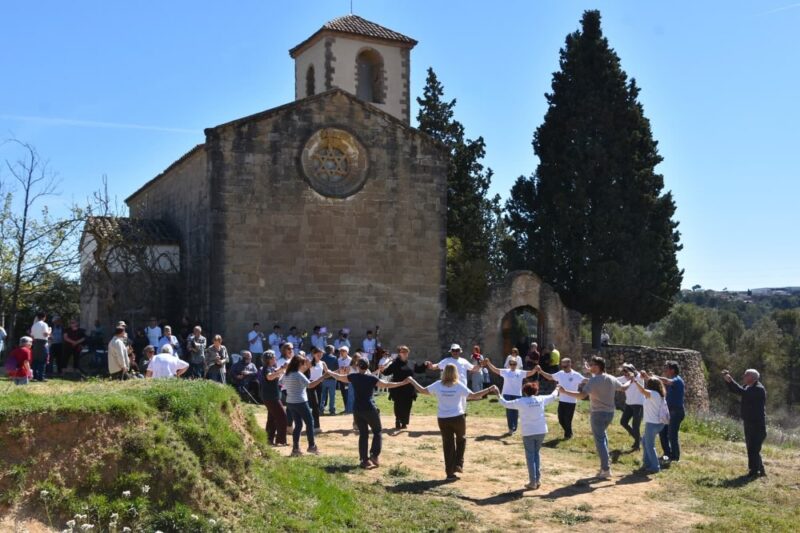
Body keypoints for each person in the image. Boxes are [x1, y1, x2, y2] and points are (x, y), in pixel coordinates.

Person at [408, 366, 497, 480]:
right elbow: (474, 396)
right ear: (455, 373)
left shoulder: (438, 385)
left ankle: (450, 473)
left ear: (444, 373)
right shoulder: (458, 385)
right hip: (458, 418)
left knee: (448, 445)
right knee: (461, 440)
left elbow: (422, 390)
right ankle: (458, 464)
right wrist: (489, 389)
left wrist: (412, 381)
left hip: (443, 419)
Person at [327, 359, 409, 468]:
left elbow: (339, 377)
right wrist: (402, 383)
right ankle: (374, 455)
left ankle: (364, 460)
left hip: (357, 410)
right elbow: (387, 384)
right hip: (370, 408)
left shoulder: (353, 377)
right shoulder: (371, 378)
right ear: (368, 366)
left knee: (363, 434)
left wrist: (328, 371)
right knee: (377, 431)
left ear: (357, 366)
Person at [558, 356, 622, 478]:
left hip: (598, 414)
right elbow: (623, 388)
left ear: (598, 367)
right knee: (603, 437)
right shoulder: (611, 378)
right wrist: (632, 380)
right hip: (610, 413)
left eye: (592, 365)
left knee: (600, 441)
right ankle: (605, 465)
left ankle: (606, 469)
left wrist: (565, 391)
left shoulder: (593, 381)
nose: (590, 367)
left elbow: (582, 396)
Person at [498, 381, 560, 489]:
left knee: (530, 457)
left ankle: (532, 482)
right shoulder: (541, 399)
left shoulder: (521, 401)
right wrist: (557, 388)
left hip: (528, 432)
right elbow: (553, 396)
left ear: (524, 391)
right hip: (541, 431)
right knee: (536, 454)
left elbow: (505, 403)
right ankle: (537, 480)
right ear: (536, 391)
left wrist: (497, 393)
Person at [723, 368, 767, 477]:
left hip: (757, 424)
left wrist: (731, 380)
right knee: (751, 447)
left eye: (745, 375)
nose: (743, 377)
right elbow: (736, 390)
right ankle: (760, 470)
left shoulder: (758, 389)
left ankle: (754, 471)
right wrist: (728, 382)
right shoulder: (748, 387)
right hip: (749, 422)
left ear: (752, 377)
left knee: (754, 448)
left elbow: (742, 392)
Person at [621, 372, 667, 473]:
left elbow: (642, 390)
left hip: (652, 424)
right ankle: (646, 463)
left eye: (648, 383)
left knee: (650, 446)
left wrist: (635, 381)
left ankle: (655, 467)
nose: (646, 384)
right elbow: (652, 382)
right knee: (645, 442)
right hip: (658, 424)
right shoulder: (659, 394)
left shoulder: (652, 394)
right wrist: (647, 377)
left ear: (651, 386)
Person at [282, 355, 327, 456]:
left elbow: (281, 382)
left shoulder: (287, 374)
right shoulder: (298, 374)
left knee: (298, 425)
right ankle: (311, 446)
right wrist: (322, 378)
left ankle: (295, 449)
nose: (305, 365)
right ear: (299, 364)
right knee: (310, 422)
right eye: (303, 363)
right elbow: (310, 385)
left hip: (290, 402)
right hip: (300, 402)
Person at [483, 355, 538, 434]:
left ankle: (514, 427)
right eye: (511, 364)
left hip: (517, 394)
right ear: (509, 364)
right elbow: (495, 370)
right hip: (507, 394)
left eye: (514, 364)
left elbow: (531, 373)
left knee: (515, 411)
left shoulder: (520, 372)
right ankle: (510, 428)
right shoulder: (505, 371)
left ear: (517, 364)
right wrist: (488, 363)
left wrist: (536, 368)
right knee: (509, 411)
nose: (512, 365)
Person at [537, 358, 585, 439]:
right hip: (562, 400)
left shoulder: (576, 375)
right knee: (560, 419)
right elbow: (550, 377)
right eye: (562, 366)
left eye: (565, 366)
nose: (564, 368)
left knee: (567, 420)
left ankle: (568, 435)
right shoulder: (560, 373)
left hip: (571, 402)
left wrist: (596, 376)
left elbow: (586, 380)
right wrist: (541, 371)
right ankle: (568, 432)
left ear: (570, 365)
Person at [425, 344, 480, 412]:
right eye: (453, 350)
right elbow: (436, 366)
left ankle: (461, 417)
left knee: (462, 408)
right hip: (450, 388)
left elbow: (474, 368)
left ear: (460, 351)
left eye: (457, 350)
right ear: (451, 351)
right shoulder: (446, 361)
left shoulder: (464, 361)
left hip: (462, 388)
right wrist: (430, 365)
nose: (455, 352)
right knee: (450, 407)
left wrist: (480, 364)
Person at [380, 345, 417, 429]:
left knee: (407, 405)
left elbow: (419, 369)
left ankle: (404, 422)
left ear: (408, 353)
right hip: (397, 388)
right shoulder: (395, 364)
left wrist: (425, 365)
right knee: (398, 405)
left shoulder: (411, 363)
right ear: (399, 353)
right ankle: (398, 420)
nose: (404, 353)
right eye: (402, 352)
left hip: (409, 388)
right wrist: (382, 370)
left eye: (406, 351)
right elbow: (387, 372)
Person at [655, 360, 685, 463]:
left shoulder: (677, 380)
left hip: (676, 412)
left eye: (667, 368)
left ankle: (675, 457)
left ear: (672, 370)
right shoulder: (669, 381)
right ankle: (667, 454)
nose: (665, 370)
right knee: (662, 432)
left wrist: (654, 377)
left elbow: (667, 381)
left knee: (672, 434)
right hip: (669, 411)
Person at [259, 351, 288, 446]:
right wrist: (281, 369)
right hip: (271, 397)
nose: (275, 358)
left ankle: (268, 439)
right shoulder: (266, 368)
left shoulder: (270, 368)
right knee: (282, 417)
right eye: (274, 357)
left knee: (272, 418)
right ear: (269, 359)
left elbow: (275, 372)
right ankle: (280, 441)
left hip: (270, 396)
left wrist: (282, 368)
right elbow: (269, 377)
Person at [617, 363, 645, 450]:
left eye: (626, 372)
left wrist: (642, 373)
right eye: (624, 372)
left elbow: (643, 375)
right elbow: (613, 379)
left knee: (635, 426)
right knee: (623, 422)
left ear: (632, 371)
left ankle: (637, 444)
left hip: (639, 405)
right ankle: (638, 439)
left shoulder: (639, 377)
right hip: (629, 404)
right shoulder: (625, 378)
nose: (625, 374)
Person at [307, 347, 326, 430]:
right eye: (318, 353)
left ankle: (314, 424)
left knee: (317, 405)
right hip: (311, 384)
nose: (320, 355)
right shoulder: (310, 363)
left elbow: (328, 372)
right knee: (315, 404)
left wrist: (338, 371)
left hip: (319, 385)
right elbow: (302, 371)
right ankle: (316, 426)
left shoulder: (323, 363)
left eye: (321, 353)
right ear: (313, 354)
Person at [30, 311, 51, 382]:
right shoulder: (44, 324)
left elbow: (32, 336)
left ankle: (34, 376)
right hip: (42, 343)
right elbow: (45, 334)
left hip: (35, 343)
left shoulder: (34, 325)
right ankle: (41, 377)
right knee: (43, 360)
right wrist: (50, 331)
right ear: (44, 317)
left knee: (35, 360)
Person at [320, 344, 339, 415]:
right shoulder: (334, 358)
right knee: (332, 395)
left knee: (322, 395)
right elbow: (337, 369)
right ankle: (332, 410)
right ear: (332, 350)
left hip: (323, 378)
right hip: (332, 378)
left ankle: (321, 409)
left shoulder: (322, 358)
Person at [337, 346, 353, 412]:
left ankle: (350, 408)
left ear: (347, 352)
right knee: (344, 394)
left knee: (350, 394)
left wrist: (346, 369)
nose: (341, 352)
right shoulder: (339, 360)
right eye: (341, 351)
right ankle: (346, 408)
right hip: (342, 379)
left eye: (343, 351)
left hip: (349, 379)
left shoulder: (351, 360)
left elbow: (352, 369)